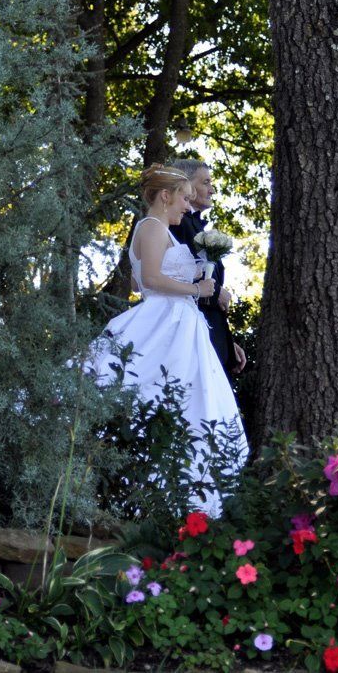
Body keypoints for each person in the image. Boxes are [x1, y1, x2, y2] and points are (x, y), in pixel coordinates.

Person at [85, 163, 248, 514]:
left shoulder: (158, 230)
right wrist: (196, 287)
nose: (187, 208)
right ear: (165, 196)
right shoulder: (152, 226)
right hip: (166, 319)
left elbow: (135, 280)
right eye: (183, 200)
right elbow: (152, 280)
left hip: (178, 320)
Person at [168, 159, 246, 378]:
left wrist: (229, 342)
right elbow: (173, 277)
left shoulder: (196, 226)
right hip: (191, 335)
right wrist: (215, 294)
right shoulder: (178, 225)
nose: (212, 189)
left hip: (211, 331)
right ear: (187, 186)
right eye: (206, 183)